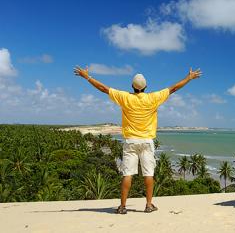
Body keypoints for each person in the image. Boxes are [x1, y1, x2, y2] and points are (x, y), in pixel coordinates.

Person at [74, 66, 202, 214]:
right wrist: (189, 78)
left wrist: (87, 77)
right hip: (147, 141)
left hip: (130, 142)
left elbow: (104, 88)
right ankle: (148, 205)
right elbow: (173, 89)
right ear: (146, 87)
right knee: (149, 174)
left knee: (127, 174)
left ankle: (122, 207)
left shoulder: (125, 97)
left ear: (132, 87)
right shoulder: (153, 97)